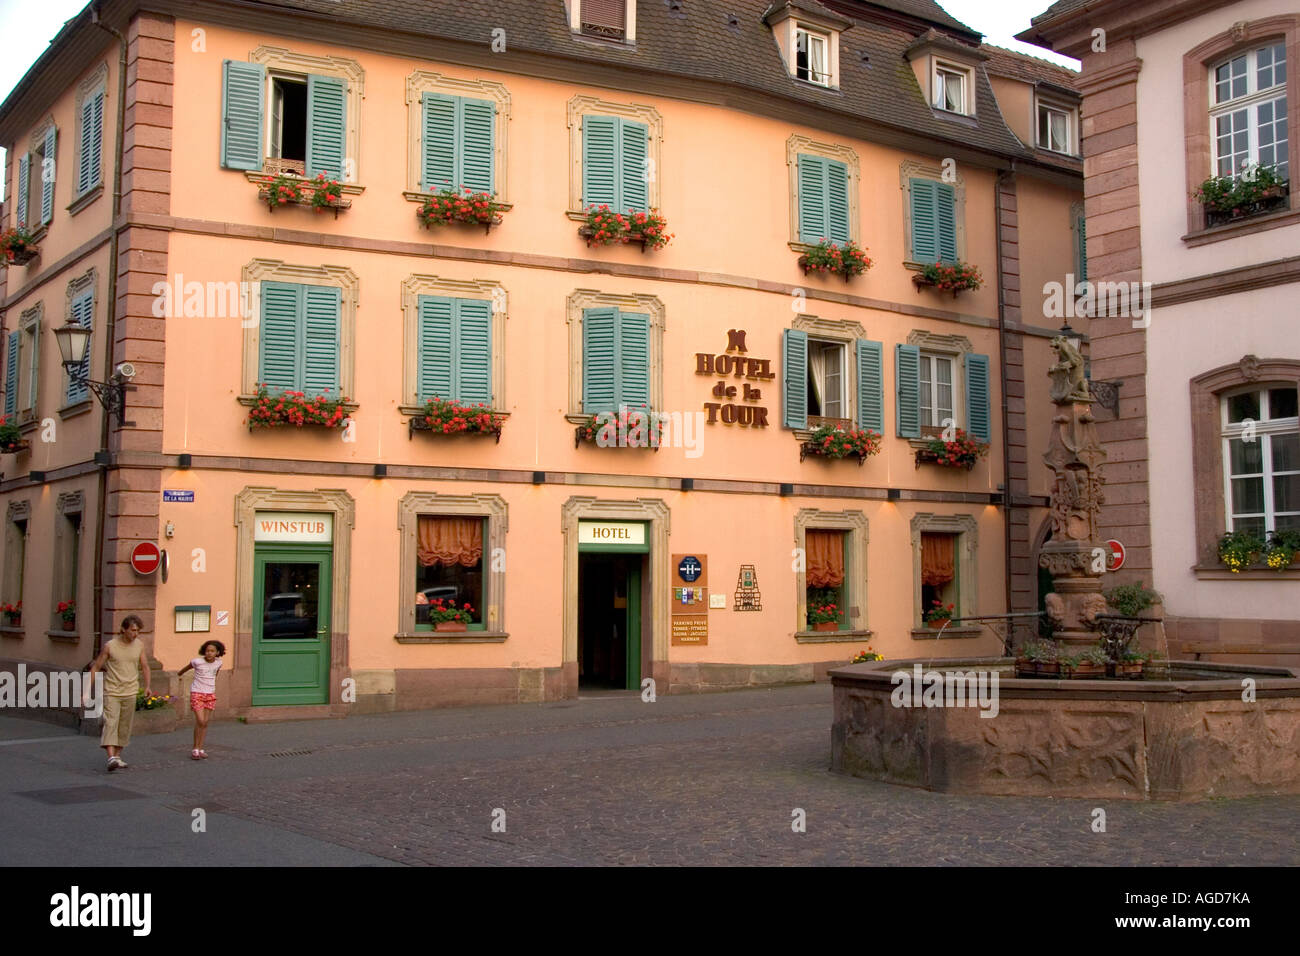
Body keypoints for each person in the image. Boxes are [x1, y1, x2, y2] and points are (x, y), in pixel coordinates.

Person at [86, 615, 151, 772]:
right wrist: (87, 691)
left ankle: (117, 756)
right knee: (111, 722)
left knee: (124, 726)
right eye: (132, 630)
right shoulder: (110, 646)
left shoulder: (139, 645)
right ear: (123, 629)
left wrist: (148, 686)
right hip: (112, 691)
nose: (135, 634)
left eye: (138, 631)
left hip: (130, 690)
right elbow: (96, 667)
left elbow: (145, 666)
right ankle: (111, 757)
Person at [178, 640, 225, 759]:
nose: (209, 653)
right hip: (197, 693)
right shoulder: (197, 662)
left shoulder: (219, 663)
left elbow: (215, 674)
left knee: (205, 723)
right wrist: (179, 674)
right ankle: (195, 748)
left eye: (212, 651)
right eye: (207, 651)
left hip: (210, 694)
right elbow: (186, 668)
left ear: (217, 652)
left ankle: (200, 748)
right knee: (200, 721)